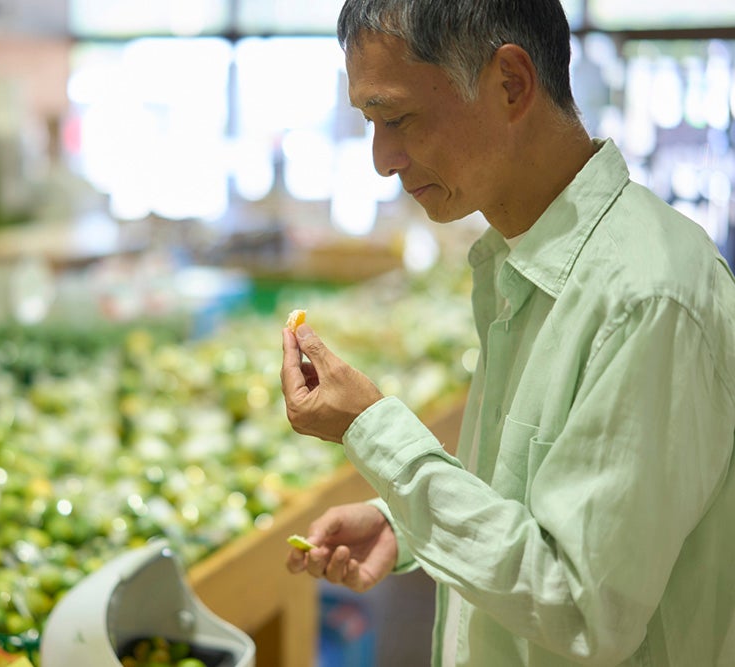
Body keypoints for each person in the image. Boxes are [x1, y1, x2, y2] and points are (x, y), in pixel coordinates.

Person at [279, 1, 735, 665]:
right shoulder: (516, 259)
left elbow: (584, 605)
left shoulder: (647, 295)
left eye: (397, 118)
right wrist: (404, 520)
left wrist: (374, 428)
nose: (383, 158)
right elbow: (542, 499)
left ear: (511, 84)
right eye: (370, 123)